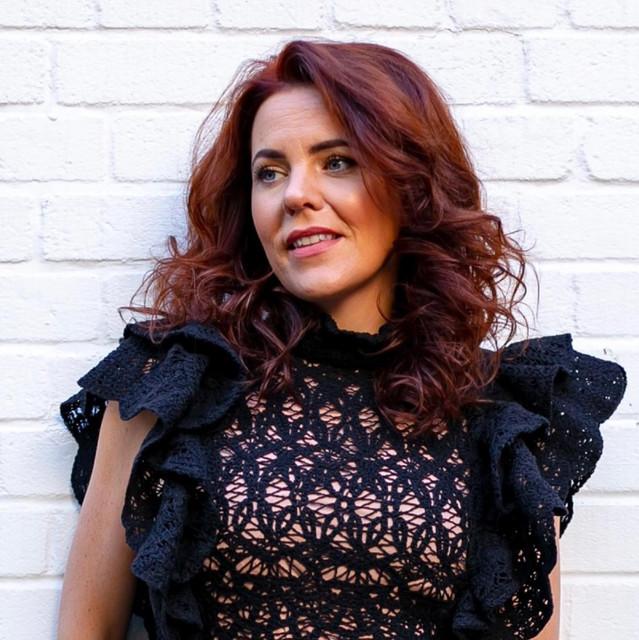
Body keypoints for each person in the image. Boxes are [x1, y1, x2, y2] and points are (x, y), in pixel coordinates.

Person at [57, 39, 627, 640]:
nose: (295, 194)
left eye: (337, 162)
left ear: (410, 184)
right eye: (269, 172)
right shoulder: (171, 385)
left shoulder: (505, 416)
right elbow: (87, 629)